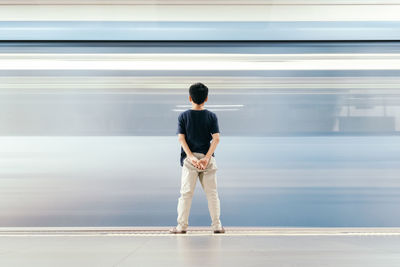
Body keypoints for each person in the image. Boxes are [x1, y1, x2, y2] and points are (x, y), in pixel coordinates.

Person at [169, 82, 225, 234]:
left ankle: (181, 227)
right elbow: (216, 139)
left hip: (190, 161)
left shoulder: (183, 116)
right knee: (212, 194)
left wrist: (191, 157)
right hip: (207, 161)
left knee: (186, 194)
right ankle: (217, 226)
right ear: (206, 99)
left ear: (189, 98)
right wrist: (206, 158)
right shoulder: (211, 116)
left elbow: (181, 139)